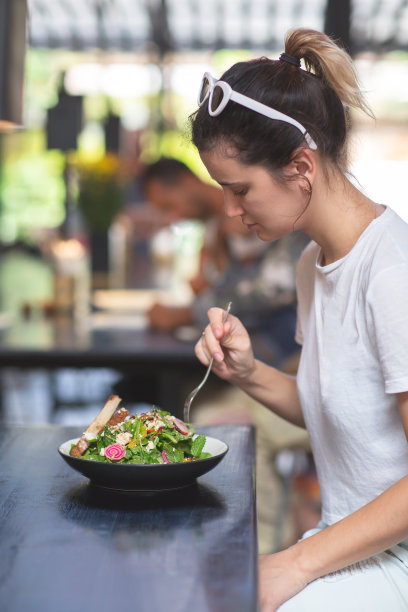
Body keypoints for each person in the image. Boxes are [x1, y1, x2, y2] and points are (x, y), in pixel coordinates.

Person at [190, 28, 408, 612]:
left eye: (239, 190)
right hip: (350, 545)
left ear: (301, 167)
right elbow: (334, 415)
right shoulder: (315, 264)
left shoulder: (391, 273)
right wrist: (249, 370)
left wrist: (292, 563)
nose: (232, 213)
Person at [143, 157, 309, 366]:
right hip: (258, 358)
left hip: (286, 358)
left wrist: (188, 314)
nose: (172, 218)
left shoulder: (271, 215)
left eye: (169, 206)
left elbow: (270, 288)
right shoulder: (214, 230)